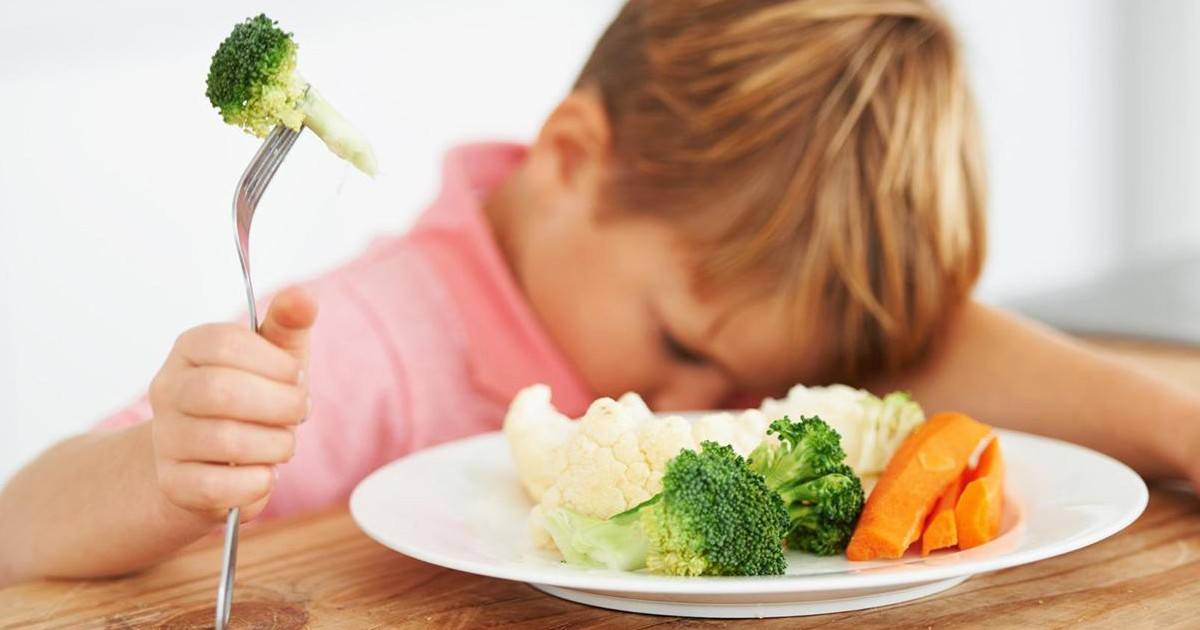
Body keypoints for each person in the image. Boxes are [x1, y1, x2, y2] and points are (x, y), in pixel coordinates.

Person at [1, 0, 1195, 584]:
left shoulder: (719, 326)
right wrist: (169, 466)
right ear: (570, 157)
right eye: (680, 343)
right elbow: (20, 531)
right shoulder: (371, 348)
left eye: (746, 378)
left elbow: (920, 353)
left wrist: (1168, 422)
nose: (699, 401)